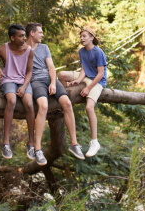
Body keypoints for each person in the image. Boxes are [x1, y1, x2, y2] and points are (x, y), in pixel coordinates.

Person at [25, 23, 85, 165]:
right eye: (40, 32)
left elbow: (51, 67)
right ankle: (38, 149)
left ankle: (74, 144)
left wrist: (53, 83)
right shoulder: (22, 49)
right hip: (35, 82)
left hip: (48, 79)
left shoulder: (44, 48)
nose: (43, 35)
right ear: (32, 33)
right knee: (43, 106)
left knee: (67, 103)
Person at [58, 27, 107, 157]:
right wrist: (78, 81)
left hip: (97, 81)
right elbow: (84, 68)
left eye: (84, 36)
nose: (82, 38)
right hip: (86, 77)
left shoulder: (98, 52)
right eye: (81, 36)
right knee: (62, 74)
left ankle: (94, 142)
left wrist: (88, 88)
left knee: (89, 108)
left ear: (92, 38)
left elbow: (101, 74)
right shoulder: (82, 51)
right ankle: (66, 103)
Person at [0, 24, 36, 160]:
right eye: (21, 36)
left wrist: (24, 86)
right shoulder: (2, 49)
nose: (24, 38)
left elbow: (29, 71)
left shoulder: (29, 50)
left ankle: (31, 143)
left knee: (29, 104)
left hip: (23, 81)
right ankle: (6, 143)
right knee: (12, 100)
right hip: (8, 80)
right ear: (12, 38)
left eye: (24, 35)